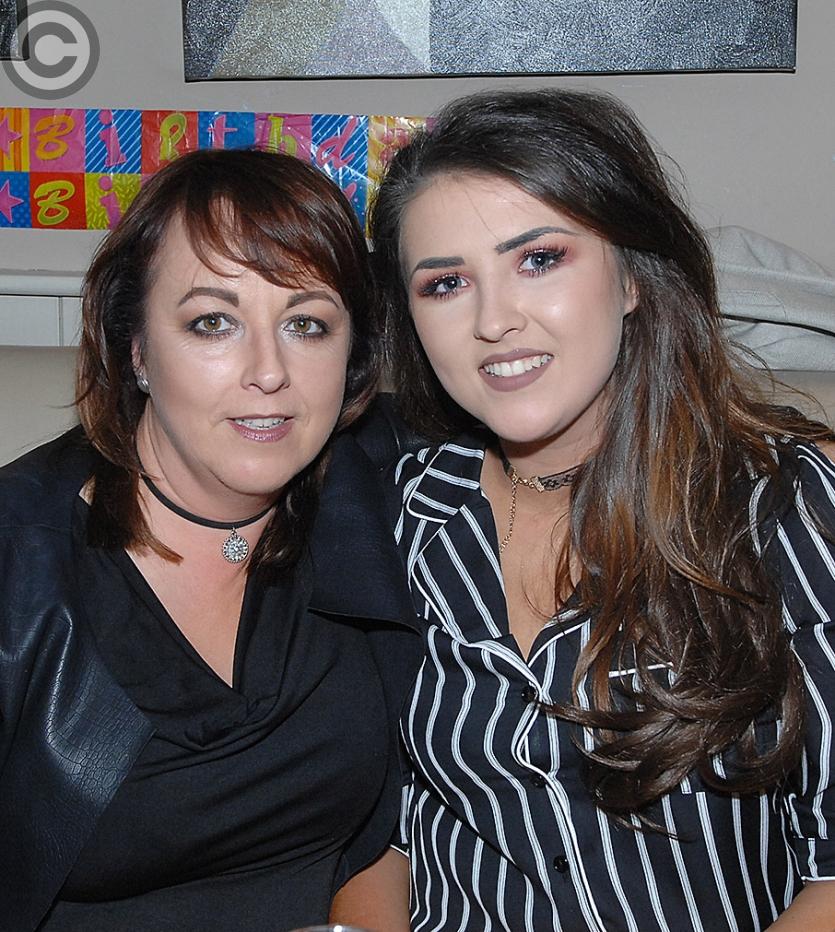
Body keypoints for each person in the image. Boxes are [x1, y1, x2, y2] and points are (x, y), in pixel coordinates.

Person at [346, 88, 835, 930]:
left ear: (633, 277)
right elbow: (376, 833)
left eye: (538, 259)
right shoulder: (396, 517)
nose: (494, 321)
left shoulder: (776, 505)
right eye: (446, 283)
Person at [0, 147, 419, 932]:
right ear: (135, 349)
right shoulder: (18, 567)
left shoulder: (382, 492)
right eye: (213, 322)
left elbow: (378, 838)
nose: (268, 372)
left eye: (306, 324)